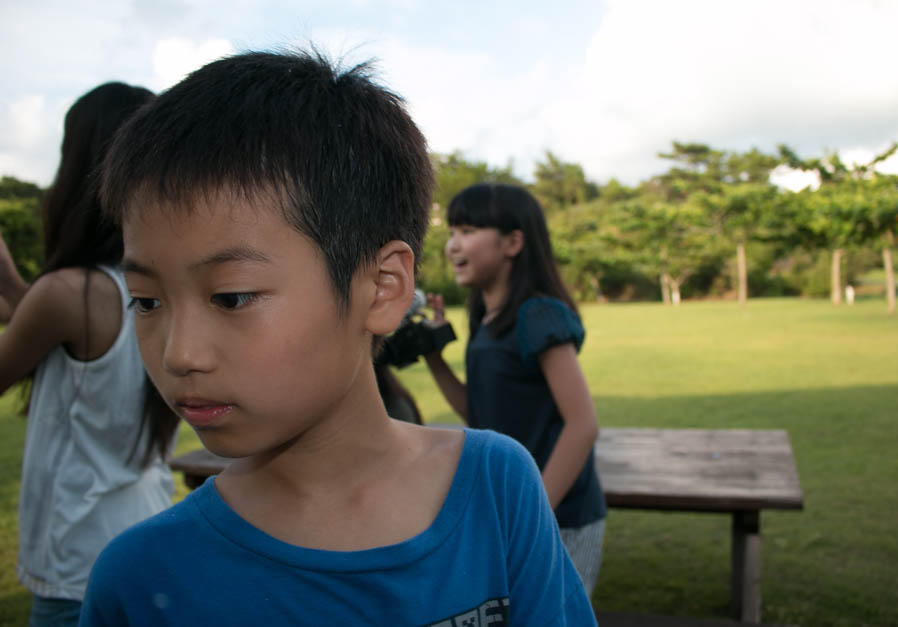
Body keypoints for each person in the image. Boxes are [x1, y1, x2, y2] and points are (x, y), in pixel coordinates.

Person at [79, 50, 595, 626]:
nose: (179, 354)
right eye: (147, 301)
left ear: (382, 287)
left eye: (231, 297)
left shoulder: (497, 489)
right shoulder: (141, 579)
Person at [0, 82, 179, 626]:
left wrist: (9, 279)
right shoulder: (160, 287)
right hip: (147, 536)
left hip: (75, 562)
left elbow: (38, 326)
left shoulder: (70, 295)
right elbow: (47, 323)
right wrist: (11, 285)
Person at [424, 182, 608, 596]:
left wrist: (534, 512)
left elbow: (583, 424)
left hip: (562, 516)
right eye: (452, 232)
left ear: (512, 242)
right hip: (515, 509)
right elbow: (479, 412)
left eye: (467, 231)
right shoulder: (486, 317)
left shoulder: (538, 314)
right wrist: (433, 354)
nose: (453, 245)